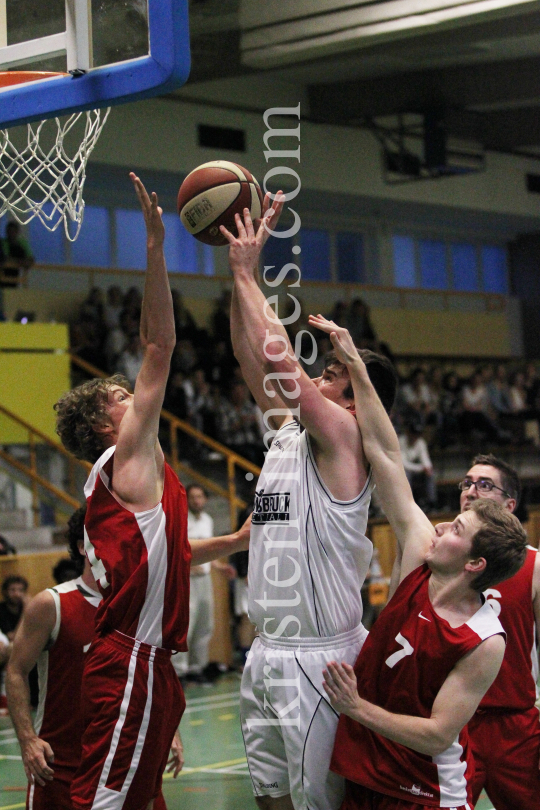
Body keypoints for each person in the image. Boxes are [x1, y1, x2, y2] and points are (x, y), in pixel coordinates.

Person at [53, 174, 249, 810]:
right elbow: (159, 343)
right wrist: (158, 247)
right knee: (105, 804)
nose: (132, 395)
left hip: (147, 664)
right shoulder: (126, 456)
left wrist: (241, 539)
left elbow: (175, 557)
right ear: (103, 424)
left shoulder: (127, 489)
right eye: (118, 395)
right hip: (132, 661)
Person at [308, 314, 527, 810]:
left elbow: (435, 735)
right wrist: (356, 369)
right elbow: (386, 453)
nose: (447, 525)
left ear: (474, 564)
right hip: (365, 763)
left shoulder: (483, 640)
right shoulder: (418, 560)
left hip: (424, 789)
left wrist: (355, 707)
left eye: (459, 531)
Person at [219, 202, 398, 810]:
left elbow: (279, 362)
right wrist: (233, 273)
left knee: (319, 802)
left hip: (321, 657)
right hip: (266, 649)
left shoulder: (347, 443)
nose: (320, 380)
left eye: (334, 380)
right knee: (270, 797)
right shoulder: (290, 437)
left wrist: (249, 274)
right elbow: (252, 357)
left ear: (355, 404)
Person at [6, 507, 182, 810]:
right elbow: (15, 671)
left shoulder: (141, 606)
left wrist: (170, 731)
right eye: (99, 534)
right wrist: (27, 739)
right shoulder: (53, 604)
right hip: (60, 769)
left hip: (127, 764)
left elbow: (153, 674)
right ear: (81, 545)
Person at [458, 453, 540, 810]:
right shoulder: (436, 558)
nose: (471, 491)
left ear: (510, 504)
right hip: (452, 726)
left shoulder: (534, 565)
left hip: (516, 727)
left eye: (485, 484)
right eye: (467, 482)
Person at [173, 484, 236, 684]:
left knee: (204, 624)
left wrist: (219, 567)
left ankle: (196, 668)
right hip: (185, 581)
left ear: (205, 499)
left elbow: (208, 551)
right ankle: (178, 670)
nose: (196, 500)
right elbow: (174, 549)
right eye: (193, 497)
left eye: (200, 496)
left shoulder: (207, 521)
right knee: (186, 625)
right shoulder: (180, 520)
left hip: (205, 580)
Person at [0, 574, 29, 639]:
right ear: (5, 592)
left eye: (20, 590)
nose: (17, 594)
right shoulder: (1, 610)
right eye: (12, 590)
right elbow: (12, 637)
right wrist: (25, 609)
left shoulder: (27, 607)